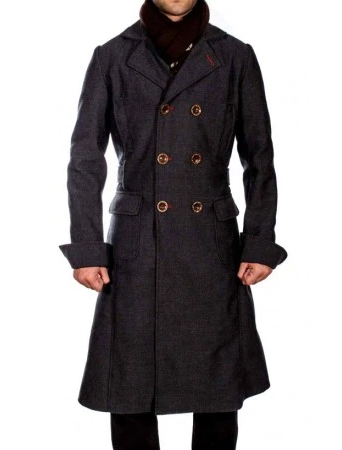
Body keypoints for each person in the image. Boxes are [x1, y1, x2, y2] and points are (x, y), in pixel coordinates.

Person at [59, 0, 288, 448]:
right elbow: (85, 160)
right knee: (131, 387)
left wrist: (260, 242)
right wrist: (86, 247)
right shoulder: (112, 56)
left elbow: (260, 159)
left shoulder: (235, 55)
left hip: (211, 244)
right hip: (136, 244)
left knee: (217, 388)